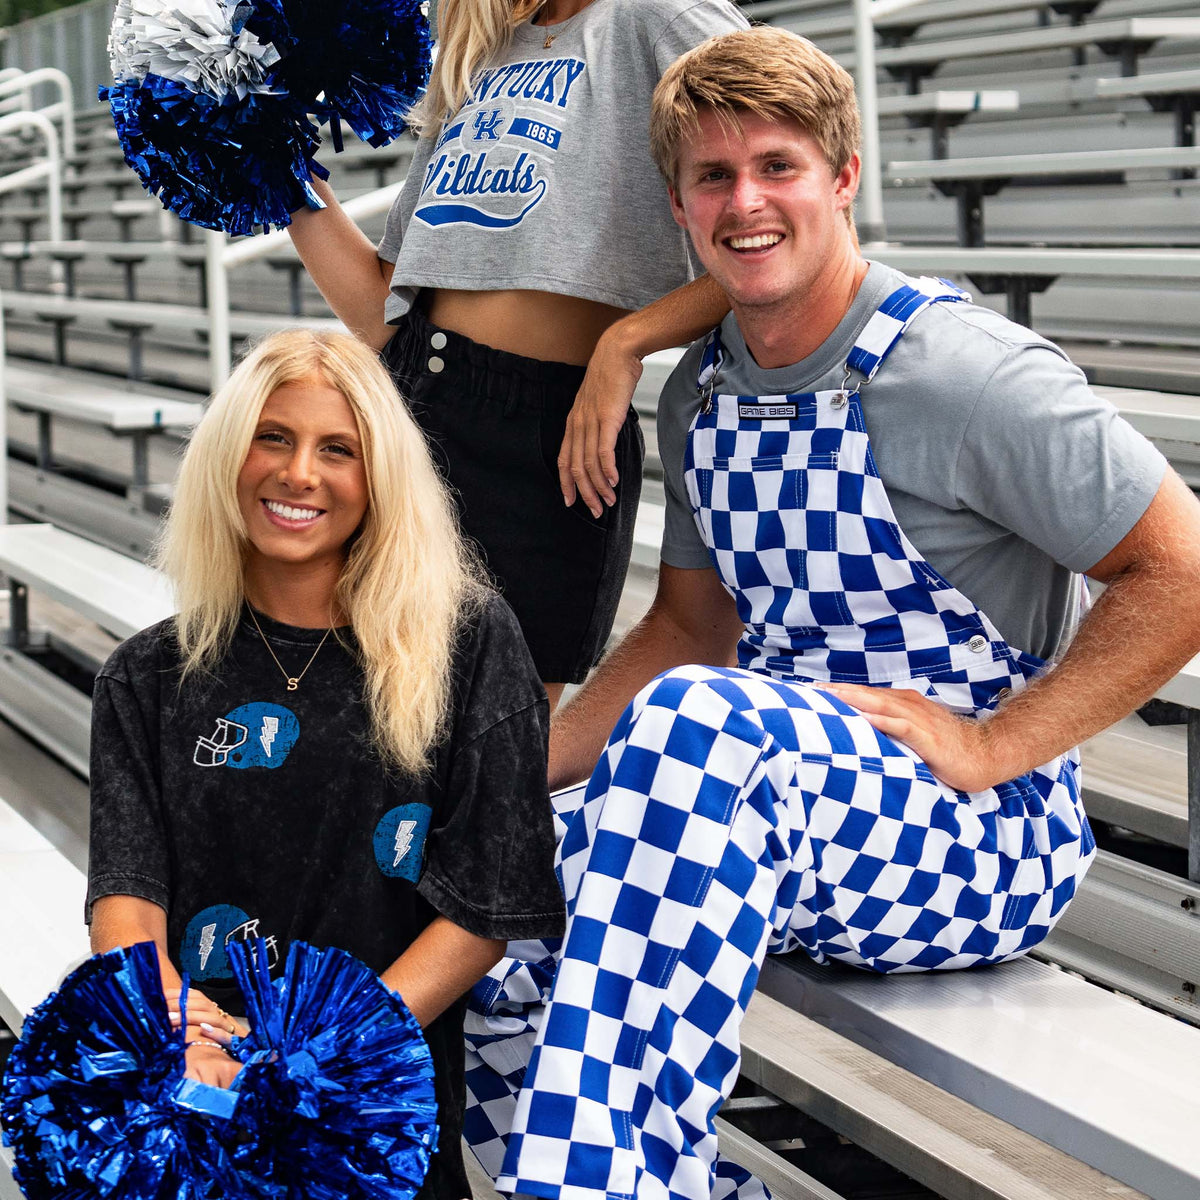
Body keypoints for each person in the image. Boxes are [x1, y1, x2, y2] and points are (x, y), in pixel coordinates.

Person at [458, 26, 1200, 1200]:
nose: (746, 201)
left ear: (843, 176)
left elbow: (1184, 571)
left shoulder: (970, 376)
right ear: (680, 207)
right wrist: (507, 778)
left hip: (978, 839)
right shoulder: (701, 389)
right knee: (503, 864)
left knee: (701, 728)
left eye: (778, 167)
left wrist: (996, 745)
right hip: (768, 815)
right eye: (714, 177)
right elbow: (687, 633)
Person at [85, 330, 565, 1200]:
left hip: (374, 1098)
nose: (299, 473)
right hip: (203, 1092)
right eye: (273, 437)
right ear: (227, 457)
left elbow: (487, 904)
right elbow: (126, 890)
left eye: (336, 449)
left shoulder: (468, 640)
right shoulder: (148, 674)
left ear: (378, 477)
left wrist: (328, 1048)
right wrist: (174, 1027)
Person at [285, 0, 748, 708]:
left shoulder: (661, 16)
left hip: (549, 441)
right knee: (350, 734)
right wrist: (273, 168)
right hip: (403, 405)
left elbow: (791, 218)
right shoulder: (478, 54)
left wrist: (625, 343)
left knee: (491, 753)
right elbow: (385, 310)